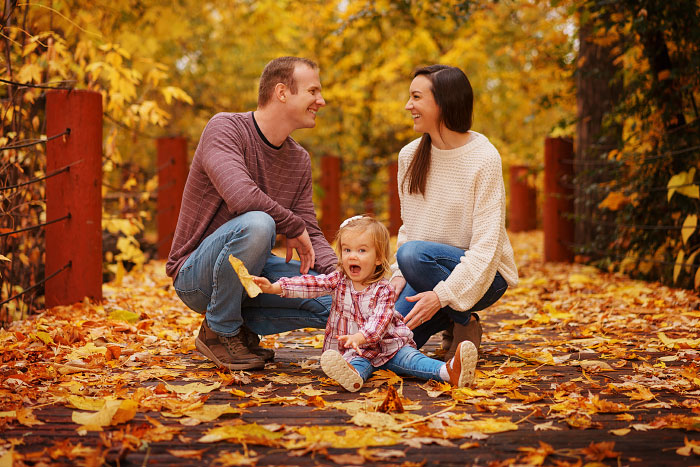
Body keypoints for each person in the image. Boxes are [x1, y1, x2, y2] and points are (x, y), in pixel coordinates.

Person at [166, 56, 337, 371]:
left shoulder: (299, 159)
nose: (321, 101)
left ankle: (237, 327)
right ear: (282, 92)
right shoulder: (225, 128)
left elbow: (310, 233)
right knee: (259, 224)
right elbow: (241, 197)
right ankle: (220, 330)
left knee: (336, 300)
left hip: (252, 274)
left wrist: (346, 279)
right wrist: (293, 225)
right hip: (196, 276)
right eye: (313, 91)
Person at [252, 216, 478, 392]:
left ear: (378, 258)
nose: (352, 256)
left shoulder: (385, 289)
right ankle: (352, 378)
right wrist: (275, 287)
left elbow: (379, 322)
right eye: (347, 250)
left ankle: (449, 371)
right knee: (356, 364)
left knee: (414, 359)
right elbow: (310, 283)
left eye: (362, 251)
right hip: (356, 352)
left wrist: (359, 337)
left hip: (389, 348)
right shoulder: (338, 279)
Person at [390, 65, 519, 362]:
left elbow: (487, 248)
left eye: (416, 97)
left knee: (411, 255)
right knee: (390, 338)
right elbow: (410, 227)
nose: (408, 106)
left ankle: (463, 322)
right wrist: (399, 275)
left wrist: (441, 296)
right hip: (423, 271)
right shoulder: (409, 156)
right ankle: (452, 320)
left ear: (443, 103)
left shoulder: (483, 157)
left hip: (486, 276)